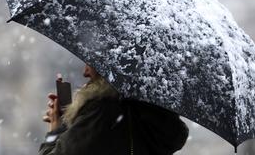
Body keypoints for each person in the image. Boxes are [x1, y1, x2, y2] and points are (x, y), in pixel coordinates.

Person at [39, 64, 188, 155]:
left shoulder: (103, 114)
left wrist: (57, 128)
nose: (85, 72)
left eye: (91, 64)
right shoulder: (157, 120)